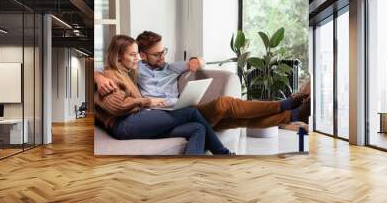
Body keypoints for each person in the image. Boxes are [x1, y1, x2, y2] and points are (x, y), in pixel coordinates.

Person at [95, 31, 310, 133]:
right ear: (142, 56)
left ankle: (292, 114)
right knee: (225, 104)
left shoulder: (170, 67)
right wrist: (98, 76)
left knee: (234, 121)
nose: (162, 58)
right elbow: (108, 69)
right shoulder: (135, 68)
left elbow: (196, 61)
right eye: (156, 55)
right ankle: (286, 105)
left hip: (183, 108)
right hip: (163, 115)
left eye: (164, 52)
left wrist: (198, 60)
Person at [94, 35, 232, 155]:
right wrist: (148, 102)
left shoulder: (127, 72)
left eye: (137, 54)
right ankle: (224, 154)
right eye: (132, 55)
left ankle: (191, 171)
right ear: (118, 57)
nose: (137, 59)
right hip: (124, 124)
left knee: (198, 128)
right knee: (191, 113)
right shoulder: (109, 75)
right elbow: (117, 105)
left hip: (136, 122)